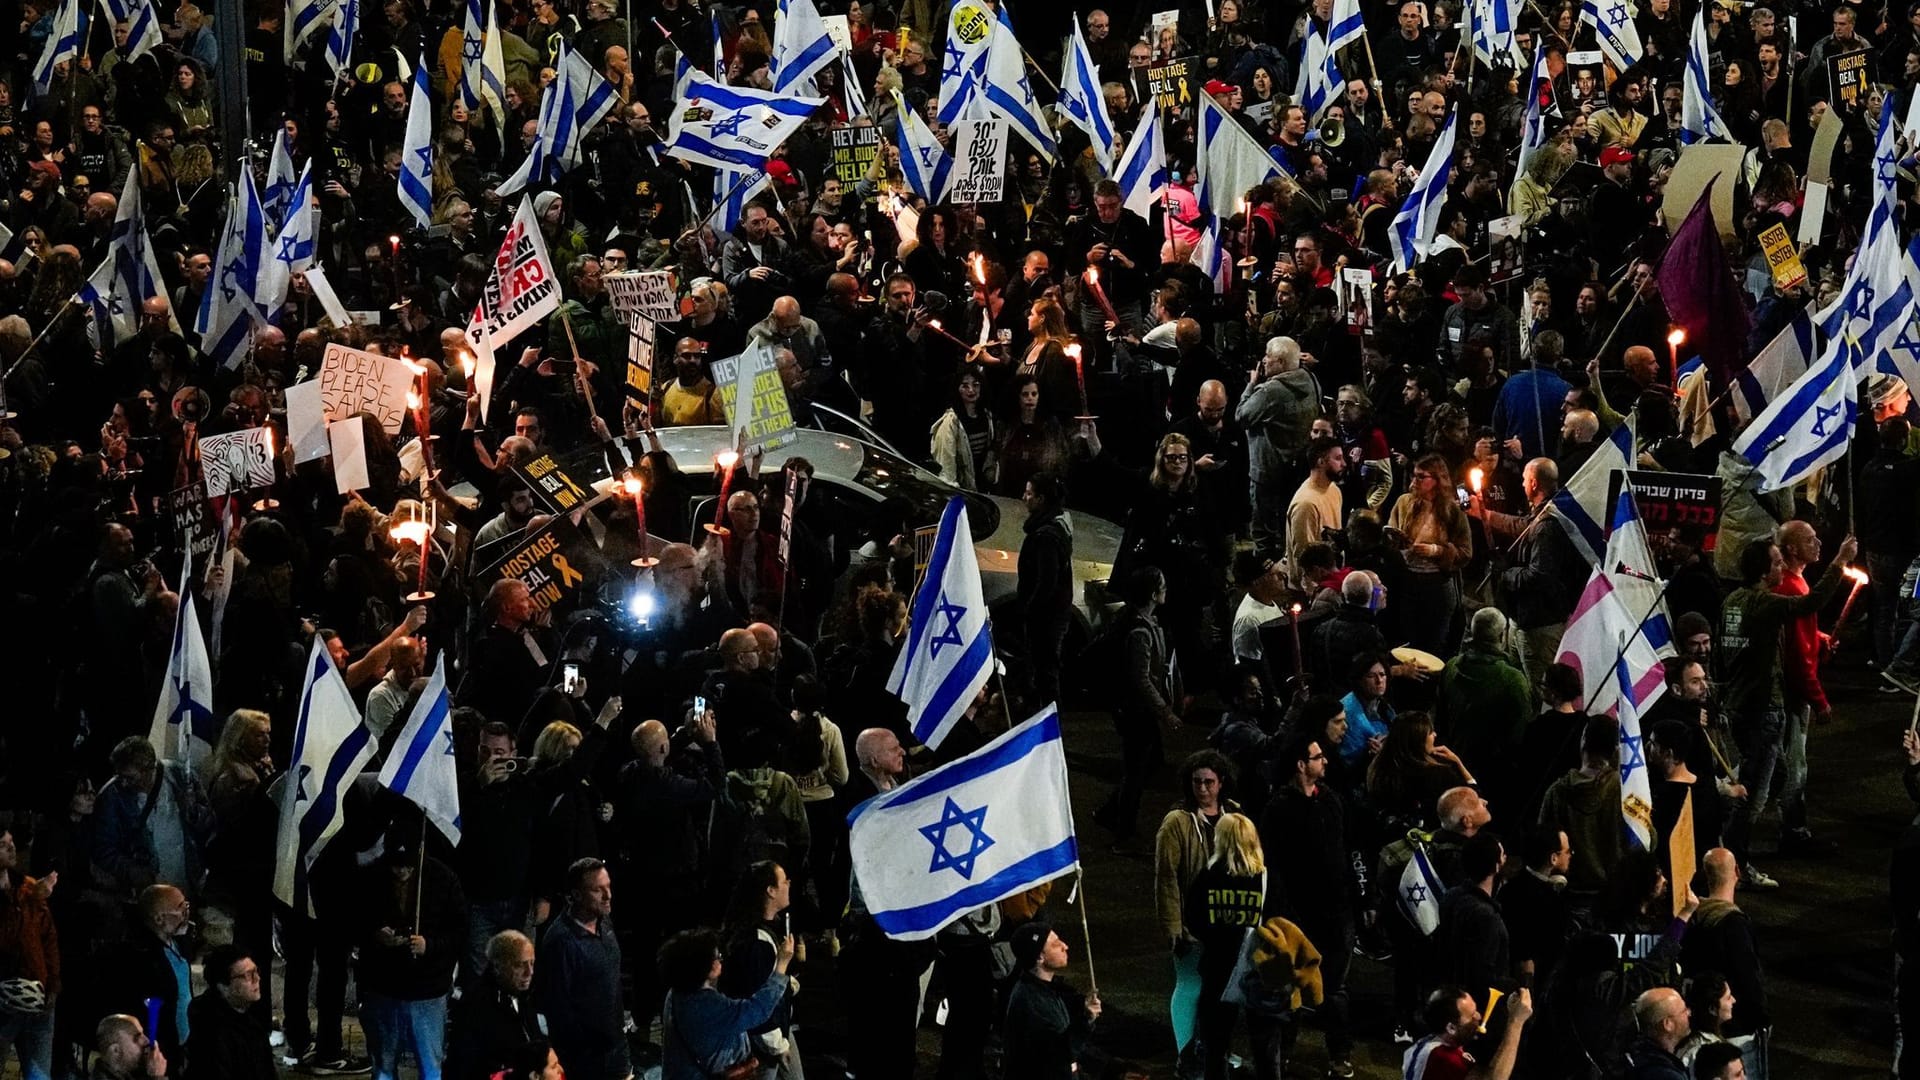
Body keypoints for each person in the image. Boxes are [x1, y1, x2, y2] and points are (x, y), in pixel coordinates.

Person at [1718, 534, 1857, 887]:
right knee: (1755, 794)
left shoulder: (1732, 601)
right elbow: (1811, 602)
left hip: (1738, 705)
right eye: (1777, 563)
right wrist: (1840, 561)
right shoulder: (1765, 603)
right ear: (1764, 573)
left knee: (1773, 775)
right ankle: (1736, 864)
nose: (1782, 567)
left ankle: (1738, 830)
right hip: (1764, 709)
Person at [1259, 734, 1360, 1077]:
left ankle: (1339, 1053)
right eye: (1318, 757)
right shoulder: (1278, 809)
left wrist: (1360, 898)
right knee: (1290, 990)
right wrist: (1283, 913)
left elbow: (1347, 850)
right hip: (1298, 916)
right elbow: (1273, 865)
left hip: (1337, 914)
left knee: (1335, 989)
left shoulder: (1331, 801)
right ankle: (1282, 1055)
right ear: (1301, 765)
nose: (1325, 761)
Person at [353, 831, 465, 1080]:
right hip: (383, 986)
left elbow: (459, 932)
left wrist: (430, 946)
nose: (401, 872)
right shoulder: (371, 877)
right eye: (396, 866)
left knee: (430, 1066)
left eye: (407, 867)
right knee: (383, 1065)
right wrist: (375, 934)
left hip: (427, 989)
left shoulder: (443, 879)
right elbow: (353, 922)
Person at [1093, 568, 1185, 848]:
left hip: (1137, 710)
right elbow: (1141, 679)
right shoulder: (1139, 632)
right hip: (1136, 712)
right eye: (1163, 586)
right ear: (1153, 594)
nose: (1166, 590)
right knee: (1136, 771)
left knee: (1149, 763)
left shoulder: (1141, 622)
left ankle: (1111, 811)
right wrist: (1165, 712)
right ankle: (1123, 833)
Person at [1182, 813, 1272, 1080]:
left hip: (1217, 966)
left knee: (1215, 1045)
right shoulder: (1264, 878)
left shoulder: (1208, 877)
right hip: (1256, 969)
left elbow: (1194, 920)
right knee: (1264, 1045)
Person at [658, 927, 794, 1080]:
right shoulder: (708, 1005)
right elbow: (757, 1010)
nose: (720, 960)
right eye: (716, 957)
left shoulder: (676, 993)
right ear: (703, 967)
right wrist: (782, 965)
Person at [537, 859, 627, 1080]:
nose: (608, 896)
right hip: (585, 1059)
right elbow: (559, 1008)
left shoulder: (604, 921)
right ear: (576, 895)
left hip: (616, 1047)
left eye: (609, 887)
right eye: (598, 890)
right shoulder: (561, 942)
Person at [1002, 921, 1102, 1079]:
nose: (1065, 946)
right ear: (1040, 957)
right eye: (1056, 945)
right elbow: (1059, 1054)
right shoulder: (1031, 1002)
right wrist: (1086, 1020)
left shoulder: (1046, 990)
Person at [0, 823, 58, 1080]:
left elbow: (49, 941)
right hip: (4, 1000)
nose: (11, 848)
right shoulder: (29, 893)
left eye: (11, 842)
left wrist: (53, 985)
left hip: (38, 998)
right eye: (2, 845)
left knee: (39, 1074)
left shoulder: (27, 887)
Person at [446, 931, 545, 1080]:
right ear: (498, 966)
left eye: (532, 963)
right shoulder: (475, 1006)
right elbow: (463, 1065)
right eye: (520, 965)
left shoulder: (525, 994)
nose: (529, 972)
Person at [1402, 985, 1533, 1080]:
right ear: (1451, 1028)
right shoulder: (1441, 1057)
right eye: (1471, 1016)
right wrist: (1516, 1022)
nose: (1479, 1016)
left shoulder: (1435, 1042)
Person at [183, 946, 274, 1080]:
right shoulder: (211, 1032)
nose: (257, 979)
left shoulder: (251, 1016)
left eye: (256, 971)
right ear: (223, 986)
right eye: (248, 975)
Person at [1625, 987, 1694, 1080]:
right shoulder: (1665, 1074)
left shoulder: (1638, 1057)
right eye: (1684, 1010)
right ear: (1668, 1024)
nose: (1689, 1013)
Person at [89, 1016, 167, 1080]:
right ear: (116, 1051)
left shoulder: (125, 1073)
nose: (147, 1041)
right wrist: (156, 1076)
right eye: (137, 1038)